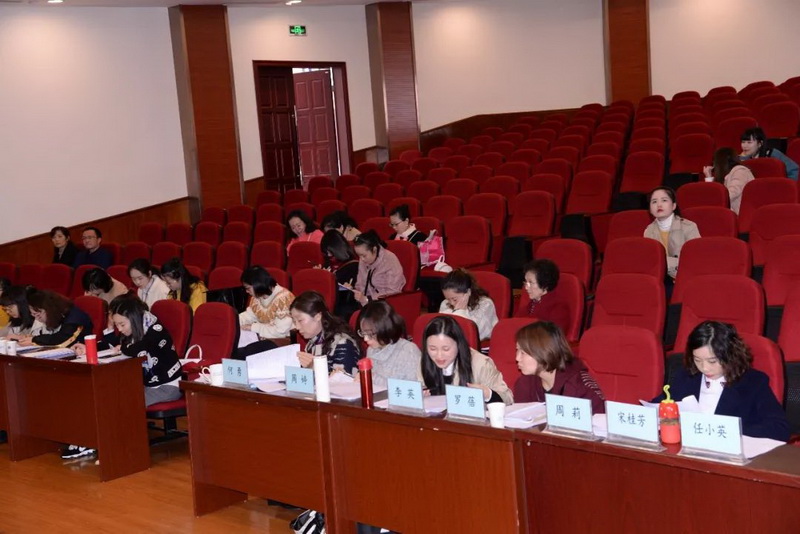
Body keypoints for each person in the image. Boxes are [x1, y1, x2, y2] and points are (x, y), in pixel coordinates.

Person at [66, 295, 184, 460]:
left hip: (168, 386)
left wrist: (123, 347)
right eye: (117, 324)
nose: (120, 329)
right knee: (107, 396)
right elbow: (116, 343)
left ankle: (112, 445)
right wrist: (89, 347)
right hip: (147, 385)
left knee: (124, 403)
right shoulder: (135, 329)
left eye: (122, 324)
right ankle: (90, 439)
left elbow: (136, 349)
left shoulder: (156, 330)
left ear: (134, 318)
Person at [654, 321, 789, 441]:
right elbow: (657, 405)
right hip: (687, 450)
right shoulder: (687, 376)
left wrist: (730, 431)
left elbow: (779, 428)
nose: (704, 368)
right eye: (697, 360)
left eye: (712, 361)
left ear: (729, 355)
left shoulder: (753, 382)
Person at [513, 321, 605, 413]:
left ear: (544, 352)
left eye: (523, 353)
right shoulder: (524, 384)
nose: (517, 358)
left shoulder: (581, 387)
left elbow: (599, 418)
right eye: (517, 350)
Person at [418, 315, 513, 405]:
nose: (439, 355)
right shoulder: (425, 361)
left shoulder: (480, 364)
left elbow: (508, 398)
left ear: (458, 344)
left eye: (446, 349)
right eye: (433, 349)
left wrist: (487, 394)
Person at [290, 291, 361, 375]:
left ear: (318, 316)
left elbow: (344, 380)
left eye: (300, 320)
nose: (297, 327)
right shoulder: (312, 342)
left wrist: (314, 367)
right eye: (294, 321)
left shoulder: (343, 343)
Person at [357, 300, 420, 388]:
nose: (365, 339)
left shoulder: (408, 351)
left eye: (370, 334)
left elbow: (412, 389)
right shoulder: (371, 349)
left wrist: (371, 378)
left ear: (385, 329)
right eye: (363, 333)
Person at [643, 186, 700, 279]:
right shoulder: (648, 231)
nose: (659, 205)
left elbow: (695, 259)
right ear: (650, 209)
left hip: (685, 277)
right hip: (659, 278)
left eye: (664, 200)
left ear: (673, 206)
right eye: (654, 201)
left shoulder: (689, 227)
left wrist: (663, 262)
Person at [13, 289, 93, 347]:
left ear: (49, 310)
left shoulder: (74, 317)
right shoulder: (59, 315)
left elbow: (62, 339)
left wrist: (35, 340)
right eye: (33, 315)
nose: (37, 319)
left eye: (38, 315)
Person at [438, 268, 499, 340]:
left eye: (454, 299)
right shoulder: (445, 304)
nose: (451, 302)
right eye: (448, 299)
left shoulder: (485, 304)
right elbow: (441, 330)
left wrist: (460, 311)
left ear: (468, 292)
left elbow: (474, 334)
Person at [238, 265, 295, 342]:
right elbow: (248, 316)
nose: (246, 291)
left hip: (283, 341)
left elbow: (280, 332)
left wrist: (253, 327)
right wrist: (234, 322)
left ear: (258, 285)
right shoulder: (257, 297)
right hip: (264, 338)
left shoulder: (283, 299)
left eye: (248, 288)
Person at [515, 259, 570, 336]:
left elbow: (553, 338)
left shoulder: (558, 308)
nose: (526, 287)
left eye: (530, 282)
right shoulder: (529, 306)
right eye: (526, 282)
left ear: (544, 284)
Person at [352, 231, 405, 306]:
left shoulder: (389, 260)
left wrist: (367, 299)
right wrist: (353, 290)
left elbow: (393, 291)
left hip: (384, 305)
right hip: (366, 302)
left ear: (374, 249)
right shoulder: (363, 260)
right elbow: (360, 283)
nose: (362, 259)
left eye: (364, 255)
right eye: (359, 255)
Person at [320, 230, 360, 319]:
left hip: (344, 304)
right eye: (326, 252)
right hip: (327, 300)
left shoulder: (354, 266)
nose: (328, 255)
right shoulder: (328, 262)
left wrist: (350, 288)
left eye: (330, 252)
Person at [703, 147, 755, 215]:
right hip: (731, 214)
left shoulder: (740, 171)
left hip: (741, 215)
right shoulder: (728, 174)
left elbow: (729, 195)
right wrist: (708, 177)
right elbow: (715, 196)